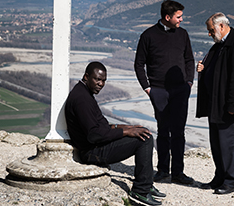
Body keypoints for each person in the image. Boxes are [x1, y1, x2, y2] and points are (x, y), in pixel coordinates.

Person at [65, 61, 165, 206]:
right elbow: (94, 135)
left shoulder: (85, 92)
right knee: (144, 139)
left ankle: (146, 183)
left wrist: (127, 127)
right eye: (97, 79)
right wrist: (125, 132)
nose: (101, 84)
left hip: (97, 146)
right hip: (92, 152)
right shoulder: (82, 99)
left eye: (103, 80)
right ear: (86, 76)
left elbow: (102, 125)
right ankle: (140, 191)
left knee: (142, 132)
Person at [134, 0, 195, 185]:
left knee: (179, 132)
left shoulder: (183, 34)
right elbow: (139, 64)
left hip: (180, 90)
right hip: (158, 90)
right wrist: (148, 88)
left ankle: (178, 173)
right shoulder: (148, 35)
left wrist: (189, 83)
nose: (181, 20)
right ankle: (162, 171)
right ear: (167, 17)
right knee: (163, 131)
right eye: (179, 16)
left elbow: (189, 60)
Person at [196, 12, 234, 195]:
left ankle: (231, 182)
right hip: (216, 105)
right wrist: (203, 69)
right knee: (217, 143)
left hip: (228, 107)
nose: (209, 34)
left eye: (210, 30)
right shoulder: (219, 45)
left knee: (229, 144)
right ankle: (219, 177)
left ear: (221, 26)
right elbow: (216, 70)